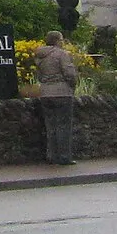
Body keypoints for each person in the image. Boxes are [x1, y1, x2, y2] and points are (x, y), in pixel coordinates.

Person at [34, 30, 79, 164]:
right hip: (62, 92)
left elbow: (40, 76)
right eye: (62, 39)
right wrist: (72, 86)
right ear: (57, 41)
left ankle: (51, 155)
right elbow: (70, 74)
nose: (63, 42)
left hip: (45, 93)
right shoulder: (62, 54)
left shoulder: (40, 56)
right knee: (63, 126)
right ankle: (64, 157)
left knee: (50, 125)